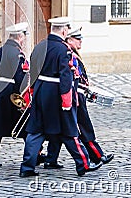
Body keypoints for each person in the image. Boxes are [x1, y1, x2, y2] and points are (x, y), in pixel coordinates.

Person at [20, 16, 102, 177]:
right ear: (64, 31)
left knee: (36, 131)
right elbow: (66, 77)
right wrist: (67, 100)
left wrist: (32, 91)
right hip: (57, 94)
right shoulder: (64, 50)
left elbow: (32, 72)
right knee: (69, 130)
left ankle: (27, 167)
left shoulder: (39, 47)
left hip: (41, 91)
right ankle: (83, 164)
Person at [0, 22, 30, 167]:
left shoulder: (0, 51)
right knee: (26, 125)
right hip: (12, 92)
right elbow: (20, 77)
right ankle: (34, 153)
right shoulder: (18, 54)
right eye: (23, 37)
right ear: (19, 36)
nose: (23, 40)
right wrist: (21, 97)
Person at [66, 27, 114, 165]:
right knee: (84, 127)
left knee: (64, 132)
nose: (81, 41)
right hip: (75, 95)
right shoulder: (69, 54)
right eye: (77, 39)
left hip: (77, 93)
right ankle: (98, 156)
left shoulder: (73, 54)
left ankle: (51, 158)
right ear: (69, 40)